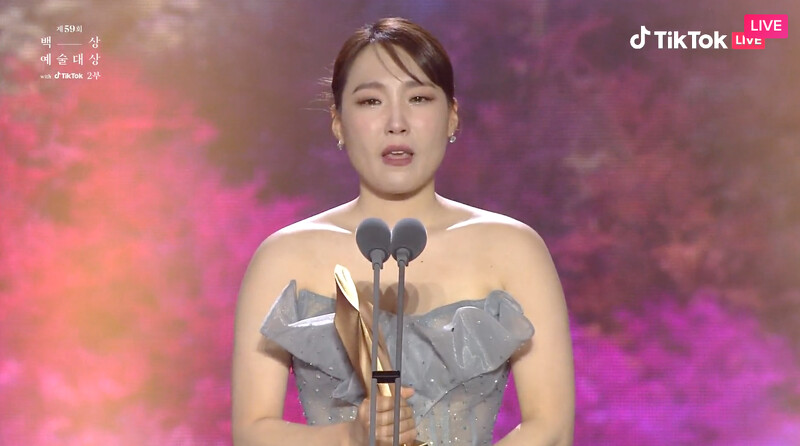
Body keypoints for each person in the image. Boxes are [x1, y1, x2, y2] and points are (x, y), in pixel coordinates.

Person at [231, 17, 574, 446]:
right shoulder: (283, 257)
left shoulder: (514, 249)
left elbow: (551, 428)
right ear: (338, 121)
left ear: (452, 117)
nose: (397, 122)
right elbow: (252, 431)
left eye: (418, 98)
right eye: (371, 101)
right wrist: (350, 435)